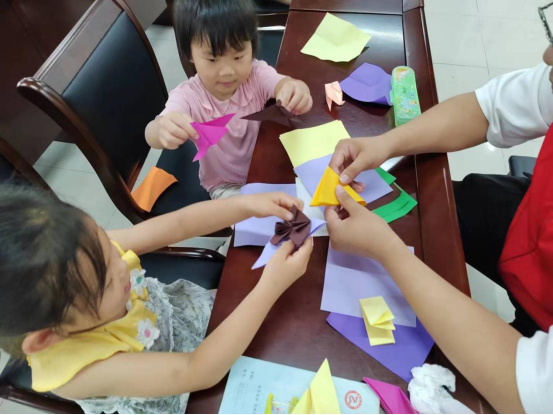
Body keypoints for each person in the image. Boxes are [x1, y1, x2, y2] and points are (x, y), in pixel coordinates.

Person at [326, 39, 553, 415]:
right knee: (446, 205)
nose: (547, 56)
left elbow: (531, 389)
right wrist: (386, 144)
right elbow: (486, 110)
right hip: (534, 217)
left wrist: (390, 253)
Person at [0, 185, 313, 414]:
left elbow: (176, 225)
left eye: (109, 248)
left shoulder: (85, 257)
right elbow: (197, 371)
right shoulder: (80, 372)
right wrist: (270, 286)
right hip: (185, 389)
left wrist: (246, 205)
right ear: (46, 337)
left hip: (186, 321)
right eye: (107, 282)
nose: (121, 265)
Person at [145, 0, 312, 200]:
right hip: (226, 185)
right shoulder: (187, 96)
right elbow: (152, 132)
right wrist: (161, 129)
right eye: (213, 59)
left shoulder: (256, 74)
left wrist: (295, 90)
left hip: (265, 167)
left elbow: (283, 84)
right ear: (189, 53)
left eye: (238, 57)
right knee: (264, 217)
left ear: (252, 46)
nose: (227, 72)